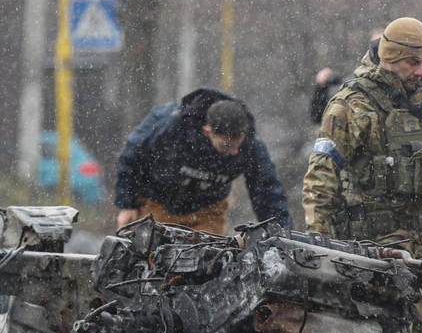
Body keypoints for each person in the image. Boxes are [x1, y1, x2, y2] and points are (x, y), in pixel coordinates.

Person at [301, 17, 422, 333]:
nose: (421, 71)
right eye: (413, 62)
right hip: (371, 257)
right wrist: (318, 246)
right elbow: (320, 179)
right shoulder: (350, 108)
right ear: (390, 58)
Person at [114, 88, 290, 233]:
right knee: (155, 264)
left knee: (209, 265)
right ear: (207, 132)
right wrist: (127, 204)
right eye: (227, 146)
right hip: (158, 204)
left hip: (208, 210)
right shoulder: (169, 126)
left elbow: (267, 191)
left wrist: (281, 234)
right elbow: (131, 156)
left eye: (238, 145)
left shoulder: (252, 146)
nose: (234, 151)